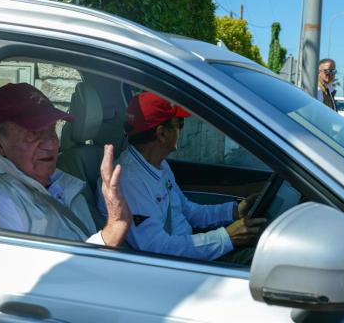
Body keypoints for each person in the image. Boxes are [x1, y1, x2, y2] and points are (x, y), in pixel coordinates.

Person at [97, 92, 265, 261]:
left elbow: (187, 210)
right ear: (162, 134)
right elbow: (158, 248)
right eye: (180, 124)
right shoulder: (129, 180)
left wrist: (233, 211)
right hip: (179, 266)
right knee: (260, 259)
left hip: (188, 249)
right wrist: (227, 237)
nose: (181, 130)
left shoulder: (159, 165)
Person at [0, 83, 131, 247]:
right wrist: (114, 230)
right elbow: (41, 272)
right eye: (33, 133)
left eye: (52, 128)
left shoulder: (62, 182)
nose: (52, 144)